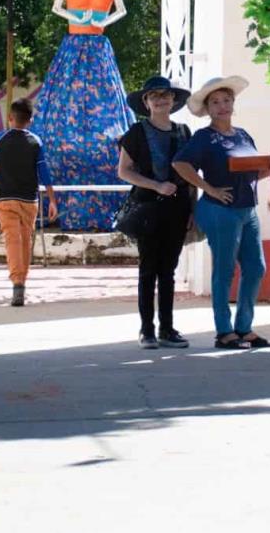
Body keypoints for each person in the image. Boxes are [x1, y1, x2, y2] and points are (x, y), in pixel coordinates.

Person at [31, 0, 136, 230]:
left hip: (99, 46)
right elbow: (57, 7)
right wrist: (76, 16)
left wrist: (103, 19)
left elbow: (121, 11)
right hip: (74, 45)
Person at [173, 76, 270, 349]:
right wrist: (210, 189)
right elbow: (180, 164)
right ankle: (224, 331)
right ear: (207, 108)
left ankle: (245, 328)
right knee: (224, 270)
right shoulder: (204, 137)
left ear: (233, 103)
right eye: (215, 102)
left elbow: (256, 169)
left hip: (247, 209)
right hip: (219, 210)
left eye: (226, 100)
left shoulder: (243, 134)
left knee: (256, 268)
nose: (222, 106)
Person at [117, 75, 195, 349]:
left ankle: (168, 329)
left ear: (174, 100)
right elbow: (123, 170)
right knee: (148, 269)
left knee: (169, 271)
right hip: (148, 208)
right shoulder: (136, 133)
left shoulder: (184, 132)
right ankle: (147, 329)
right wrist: (156, 185)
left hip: (178, 209)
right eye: (154, 96)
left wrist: (192, 210)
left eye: (166, 95)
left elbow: (192, 174)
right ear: (146, 102)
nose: (161, 99)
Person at [0, 97, 59, 307]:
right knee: (25, 241)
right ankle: (21, 283)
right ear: (30, 120)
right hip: (30, 201)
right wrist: (52, 200)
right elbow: (44, 173)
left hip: (6, 200)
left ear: (10, 118)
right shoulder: (36, 141)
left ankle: (17, 284)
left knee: (12, 242)